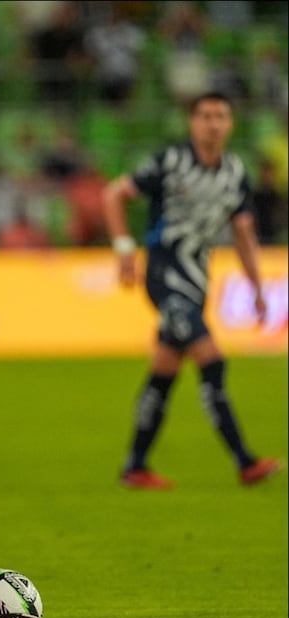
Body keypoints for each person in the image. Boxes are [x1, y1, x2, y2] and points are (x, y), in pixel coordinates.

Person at [102, 91, 282, 490]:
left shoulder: (235, 172)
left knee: (164, 372)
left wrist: (257, 287)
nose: (213, 123)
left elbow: (243, 233)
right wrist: (124, 248)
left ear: (230, 124)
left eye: (221, 115)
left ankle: (135, 466)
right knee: (212, 361)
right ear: (193, 123)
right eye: (205, 116)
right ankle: (244, 460)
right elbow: (114, 194)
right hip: (165, 276)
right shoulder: (171, 162)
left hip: (198, 280)